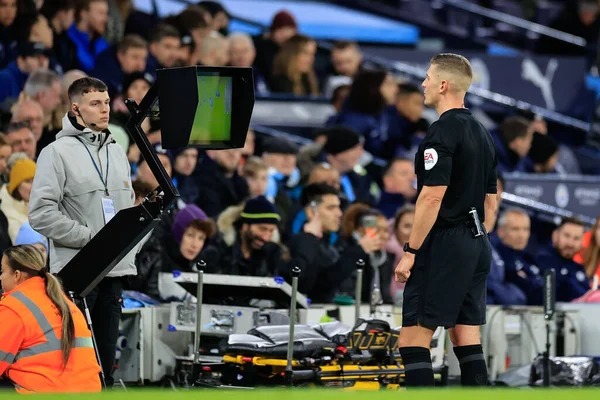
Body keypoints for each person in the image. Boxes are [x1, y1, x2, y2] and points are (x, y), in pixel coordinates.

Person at [394, 54, 497, 387]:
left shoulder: (442, 131)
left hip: (446, 243)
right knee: (465, 336)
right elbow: (491, 201)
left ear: (442, 84)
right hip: (477, 241)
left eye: (427, 77)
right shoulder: (483, 133)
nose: (423, 83)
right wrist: (475, 238)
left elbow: (431, 197)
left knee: (412, 340)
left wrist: (410, 250)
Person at [28, 77, 136, 388]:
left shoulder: (116, 151)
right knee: (79, 368)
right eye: (96, 104)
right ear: (76, 109)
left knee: (106, 366)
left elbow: (126, 207)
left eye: (106, 102)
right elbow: (41, 214)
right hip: (78, 273)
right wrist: (90, 239)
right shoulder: (55, 152)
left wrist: (128, 245)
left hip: (115, 269)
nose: (105, 110)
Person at [0, 245, 101, 393]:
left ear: (17, 275)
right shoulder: (64, 302)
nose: (0, 277)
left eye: (2, 271)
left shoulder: (14, 306)